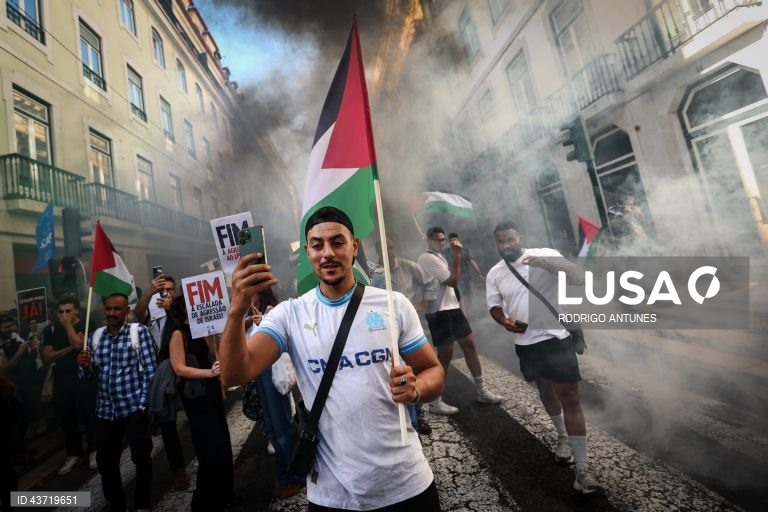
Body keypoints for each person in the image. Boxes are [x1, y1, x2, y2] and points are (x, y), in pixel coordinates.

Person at [219, 206, 445, 511]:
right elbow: (235, 374)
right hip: (332, 496)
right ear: (308, 253)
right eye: (317, 245)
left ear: (354, 246)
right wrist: (236, 310)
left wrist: (415, 388)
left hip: (406, 485)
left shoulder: (394, 304)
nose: (327, 253)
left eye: (338, 242)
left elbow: (432, 370)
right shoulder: (290, 314)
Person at [486, 221, 603, 495]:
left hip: (556, 338)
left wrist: (546, 265)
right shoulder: (495, 273)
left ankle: (582, 470)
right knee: (546, 392)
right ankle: (562, 436)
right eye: (501, 241)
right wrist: (504, 321)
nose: (506, 245)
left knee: (570, 398)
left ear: (520, 237)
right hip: (527, 343)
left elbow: (579, 277)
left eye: (510, 239)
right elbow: (494, 306)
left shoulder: (546, 254)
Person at [77, 293, 156, 512]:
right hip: (105, 411)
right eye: (108, 309)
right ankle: (117, 504)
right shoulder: (96, 337)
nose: (112, 313)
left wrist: (142, 405)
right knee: (106, 463)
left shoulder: (138, 333)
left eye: (117, 309)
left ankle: (142, 504)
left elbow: (150, 372)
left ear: (127, 311)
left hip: (133, 408)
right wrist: (84, 366)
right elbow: (88, 377)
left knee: (141, 457)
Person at [417, 226, 502, 415]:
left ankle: (481, 390)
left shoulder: (438, 256)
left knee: (469, 345)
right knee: (445, 355)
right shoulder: (426, 258)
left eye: (443, 239)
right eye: (437, 239)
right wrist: (456, 256)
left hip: (452, 307)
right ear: (428, 240)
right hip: (439, 311)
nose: (441, 242)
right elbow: (452, 281)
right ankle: (435, 401)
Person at [167, 296, 234, 510]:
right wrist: (209, 373)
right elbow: (179, 368)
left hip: (211, 391)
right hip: (196, 396)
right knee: (210, 450)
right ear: (186, 310)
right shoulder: (178, 334)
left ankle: (224, 495)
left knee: (222, 444)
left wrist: (214, 336)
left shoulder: (203, 329)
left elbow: (213, 355)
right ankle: (203, 503)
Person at [372, 236, 438, 435]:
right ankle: (408, 418)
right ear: (377, 250)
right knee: (398, 373)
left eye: (391, 247)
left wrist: (423, 304)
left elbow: (431, 282)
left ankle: (419, 414)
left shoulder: (409, 267)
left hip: (409, 326)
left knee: (417, 369)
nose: (388, 251)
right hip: (384, 330)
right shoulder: (374, 273)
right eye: (383, 247)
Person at [133, 274, 189, 490]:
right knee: (168, 423)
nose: (166, 293)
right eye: (161, 290)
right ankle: (178, 469)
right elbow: (138, 314)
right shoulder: (152, 311)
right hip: (163, 371)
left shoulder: (180, 308)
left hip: (186, 369)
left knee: (195, 413)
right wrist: (149, 293)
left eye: (170, 289)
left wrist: (172, 308)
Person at [247, 288, 304, 498]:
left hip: (273, 373)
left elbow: (288, 340)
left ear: (261, 293)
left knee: (282, 427)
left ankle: (293, 478)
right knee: (271, 427)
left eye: (252, 293)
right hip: (259, 375)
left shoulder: (274, 312)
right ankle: (284, 475)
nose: (248, 297)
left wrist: (265, 323)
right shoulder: (247, 317)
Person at [41, 296, 98, 474]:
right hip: (61, 377)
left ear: (77, 311)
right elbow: (48, 356)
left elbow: (80, 345)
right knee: (66, 416)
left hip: (82, 374)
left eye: (68, 311)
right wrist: (70, 349)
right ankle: (74, 453)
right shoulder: (50, 329)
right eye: (61, 312)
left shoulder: (86, 324)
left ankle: (94, 449)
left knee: (88, 413)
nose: (64, 315)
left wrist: (68, 326)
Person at [0, 313, 43, 464]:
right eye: (6, 327)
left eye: (12, 325)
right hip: (9, 389)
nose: (11, 329)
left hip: (24, 384)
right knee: (14, 423)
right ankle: (18, 454)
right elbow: (3, 370)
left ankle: (21, 448)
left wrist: (33, 348)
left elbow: (30, 354)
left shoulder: (14, 337)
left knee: (26, 416)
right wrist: (20, 352)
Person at [443, 232, 484, 316]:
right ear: (449, 242)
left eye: (455, 240)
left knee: (468, 296)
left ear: (458, 240)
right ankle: (464, 317)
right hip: (455, 278)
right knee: (461, 298)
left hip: (466, 278)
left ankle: (469, 313)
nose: (453, 242)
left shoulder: (464, 250)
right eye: (451, 240)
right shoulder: (446, 252)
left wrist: (479, 274)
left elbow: (472, 261)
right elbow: (438, 255)